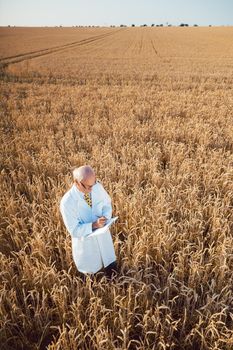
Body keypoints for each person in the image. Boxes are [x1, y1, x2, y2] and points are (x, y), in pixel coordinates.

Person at [59, 165, 118, 280]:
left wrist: (105, 216)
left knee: (112, 269)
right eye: (88, 186)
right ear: (77, 183)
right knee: (91, 278)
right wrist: (93, 225)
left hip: (103, 239)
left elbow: (107, 203)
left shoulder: (96, 186)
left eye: (94, 184)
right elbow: (74, 230)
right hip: (86, 246)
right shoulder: (67, 203)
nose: (92, 189)